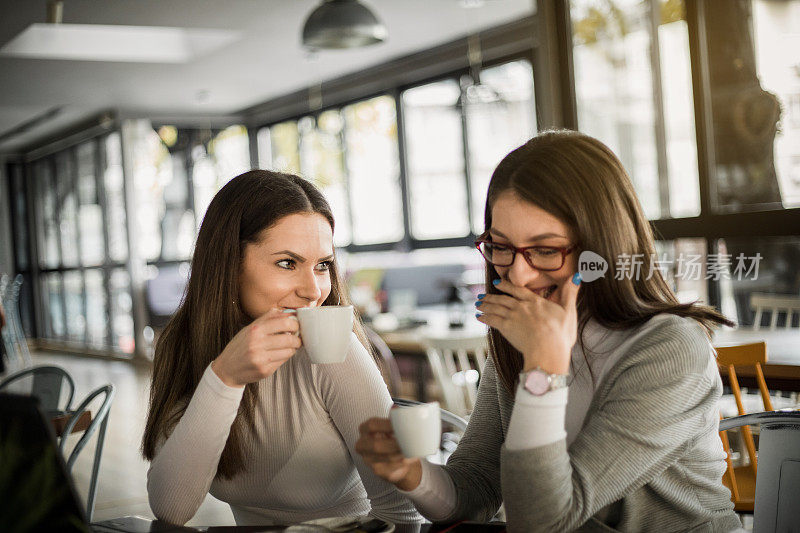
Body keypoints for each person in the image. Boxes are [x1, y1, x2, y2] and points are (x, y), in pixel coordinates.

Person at [356, 131, 742, 532]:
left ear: (601, 248)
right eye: (501, 245)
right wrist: (414, 474)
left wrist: (543, 365)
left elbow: (543, 523)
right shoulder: (518, 337)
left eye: (545, 250)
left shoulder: (670, 349)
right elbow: (476, 486)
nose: (518, 275)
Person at [142, 170, 420, 527]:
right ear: (229, 264)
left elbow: (402, 512)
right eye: (287, 263)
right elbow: (170, 510)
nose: (314, 290)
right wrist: (224, 379)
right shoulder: (183, 346)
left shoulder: (333, 349)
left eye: (322, 265)